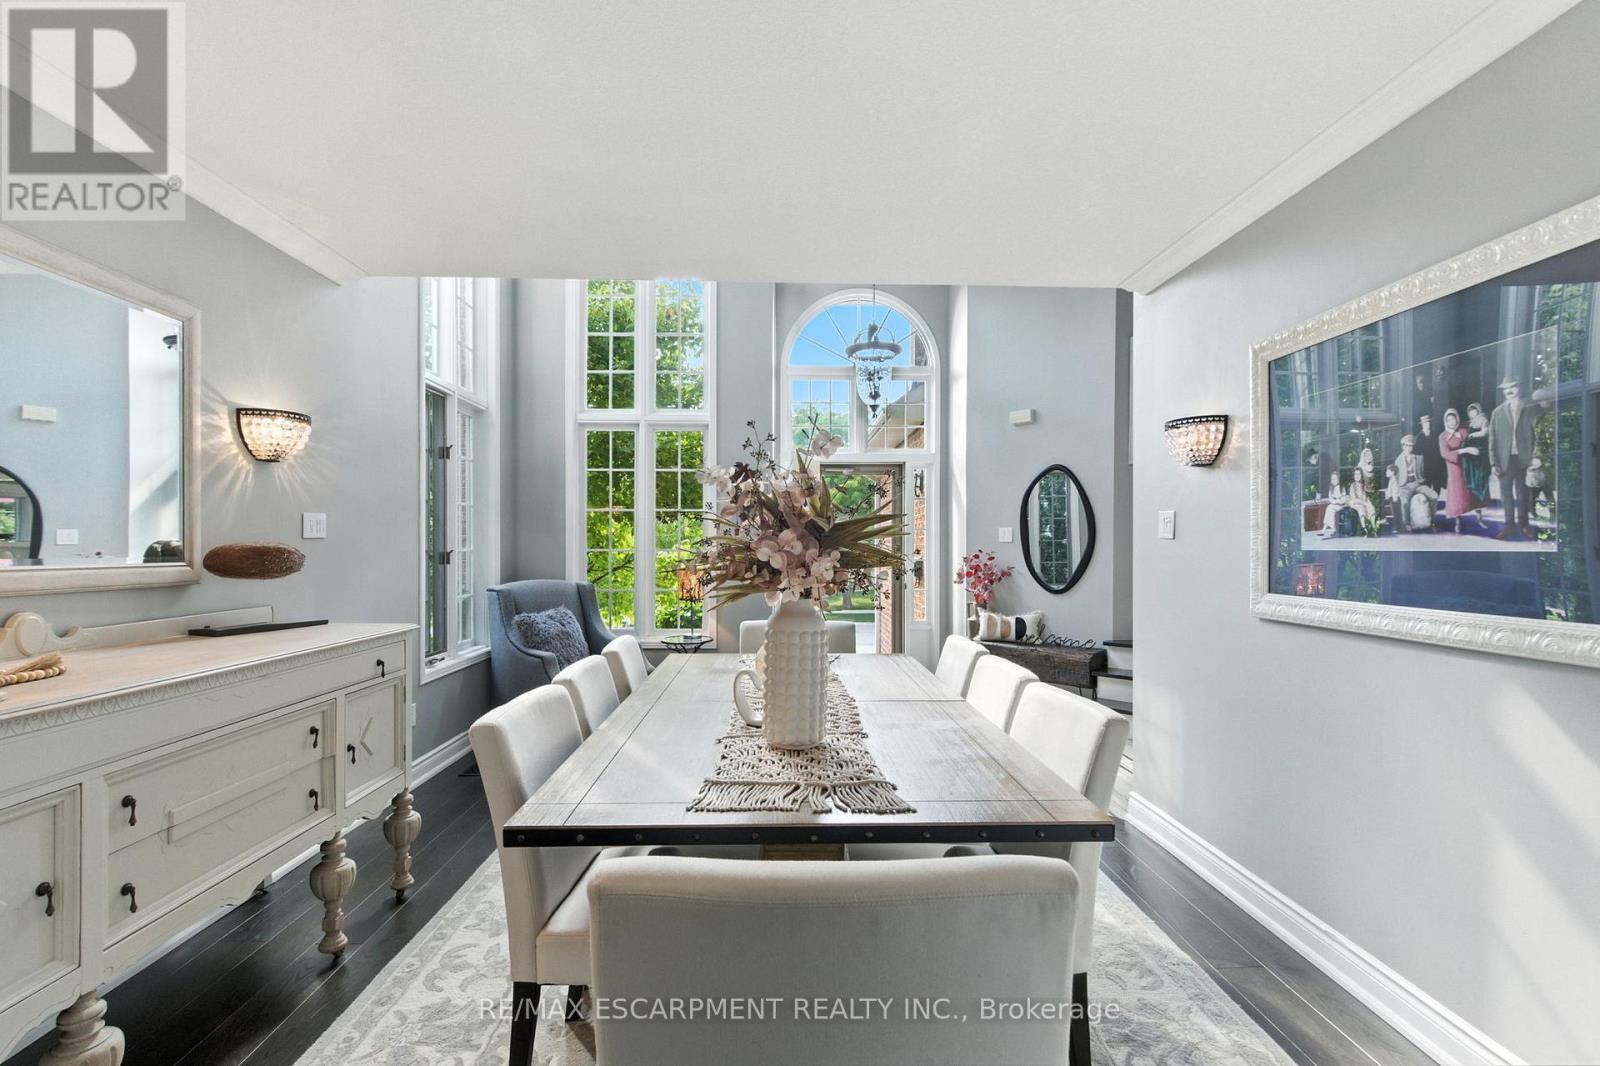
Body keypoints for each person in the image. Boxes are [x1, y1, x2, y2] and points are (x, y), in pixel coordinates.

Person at [1488, 375, 1548, 539]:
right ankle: (1509, 525)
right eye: (1506, 389)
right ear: (1503, 391)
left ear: (1518, 388)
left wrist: (1535, 456)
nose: (1509, 391)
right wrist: (1493, 462)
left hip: (1523, 459)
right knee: (1506, 495)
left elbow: (1536, 433)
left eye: (1512, 387)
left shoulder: (1529, 407)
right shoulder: (1497, 412)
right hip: (1504, 460)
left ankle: (1524, 524)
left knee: (1523, 494)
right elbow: (1492, 439)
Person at [1438, 408, 1480, 533]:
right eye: (1449, 420)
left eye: (1453, 419)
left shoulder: (1463, 432)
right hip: (1454, 466)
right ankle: (1457, 519)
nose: (1451, 422)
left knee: (1470, 490)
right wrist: (1465, 450)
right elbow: (1445, 453)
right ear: (1446, 421)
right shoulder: (1443, 436)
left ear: (1457, 419)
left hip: (1467, 464)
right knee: (1456, 492)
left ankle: (1478, 516)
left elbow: (1474, 443)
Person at [1393, 434, 1438, 532]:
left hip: (1418, 484)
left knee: (1434, 496)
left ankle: (1433, 521)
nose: (1409, 448)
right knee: (1405, 503)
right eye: (1407, 445)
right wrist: (1398, 489)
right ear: (1403, 446)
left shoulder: (1419, 458)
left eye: (1411, 445)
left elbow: (1423, 473)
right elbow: (1396, 477)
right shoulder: (1398, 460)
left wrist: (1424, 483)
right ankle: (1407, 523)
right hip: (1405, 486)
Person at [1462, 402, 1491, 512]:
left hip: (1480, 451)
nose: (1472, 413)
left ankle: (1481, 501)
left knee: (1481, 476)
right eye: (1470, 411)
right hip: (1471, 454)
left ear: (1478, 410)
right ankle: (1473, 500)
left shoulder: (1484, 419)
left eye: (1474, 410)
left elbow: (1485, 432)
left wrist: (1472, 435)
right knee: (1471, 476)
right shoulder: (1469, 423)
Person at [1417, 413, 1446, 490]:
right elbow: (1418, 452)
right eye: (1425, 423)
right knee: (1427, 484)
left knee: (1437, 484)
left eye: (1428, 422)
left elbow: (1439, 448)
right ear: (1422, 425)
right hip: (1425, 464)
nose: (1427, 424)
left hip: (1436, 463)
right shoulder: (1419, 437)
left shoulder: (1435, 434)